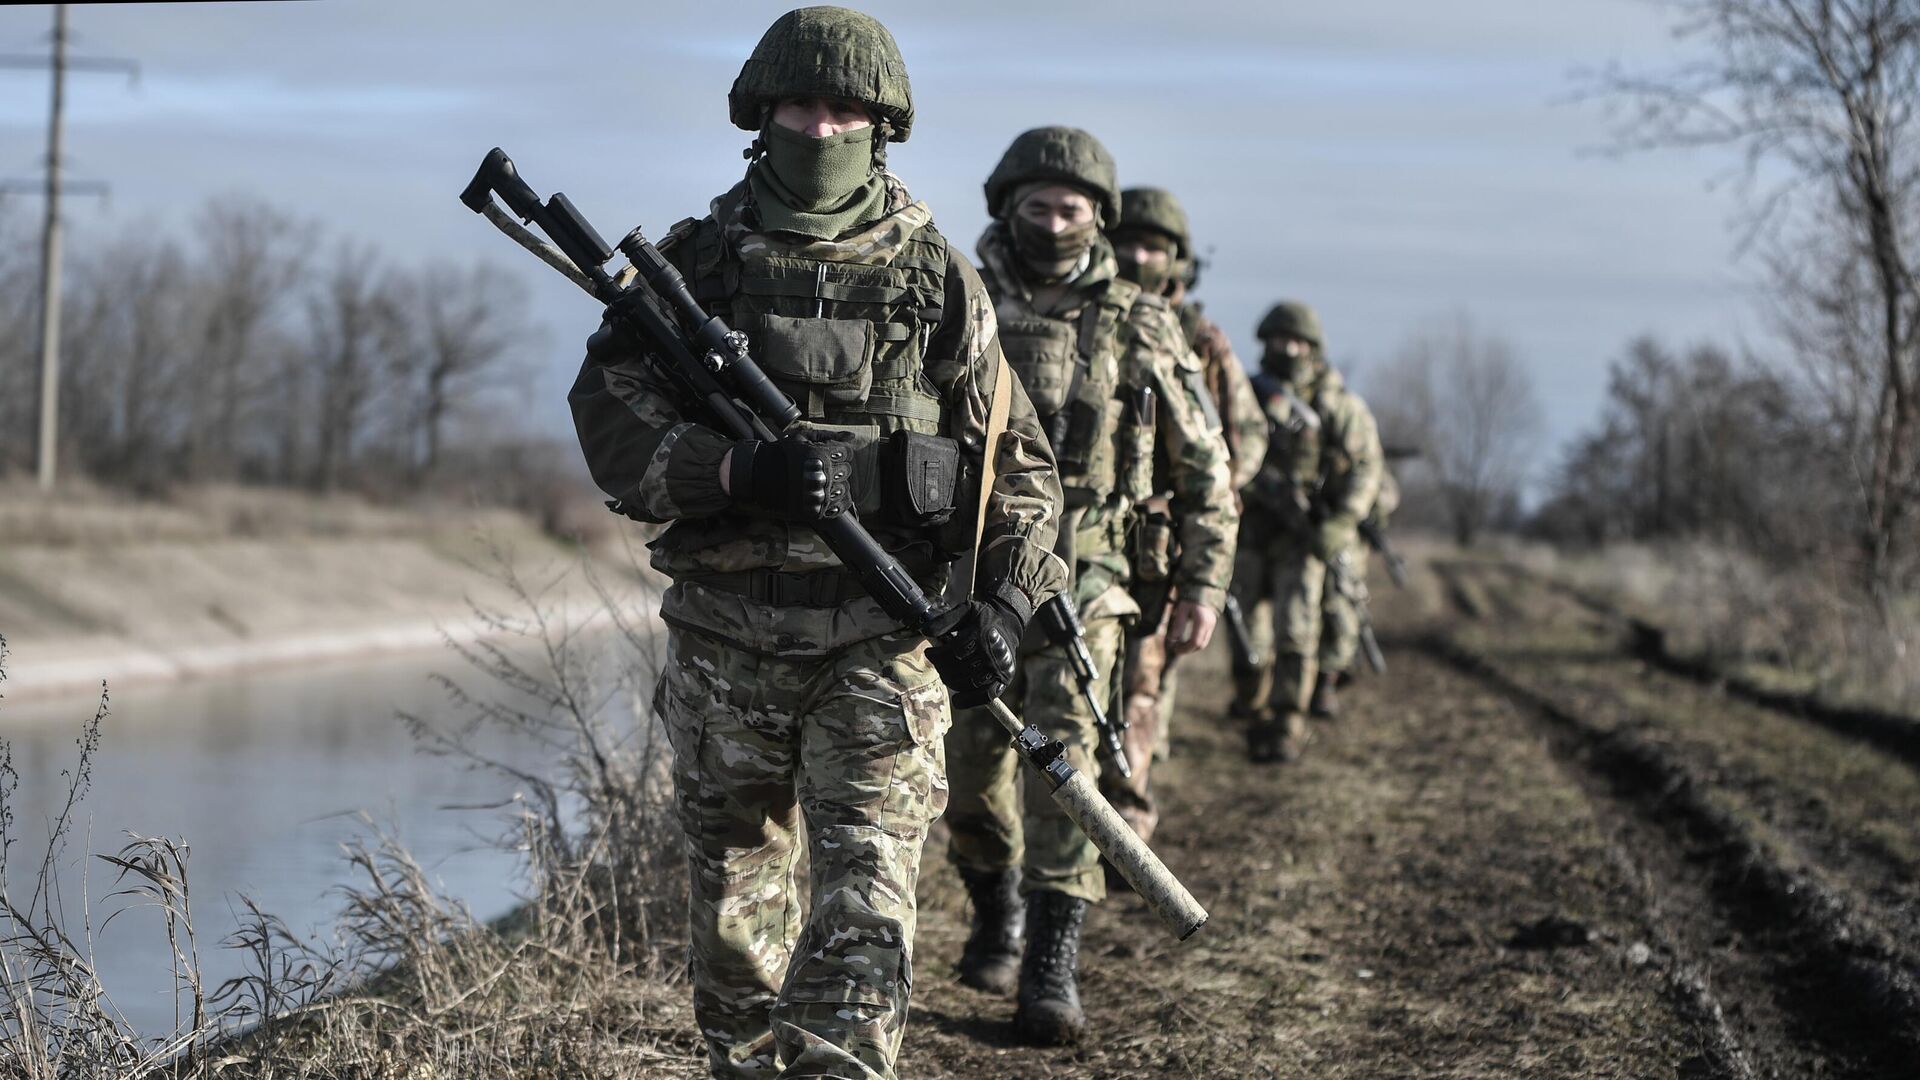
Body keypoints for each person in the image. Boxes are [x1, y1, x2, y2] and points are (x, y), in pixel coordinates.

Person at [566, 9, 1067, 1078]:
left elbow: (1017, 466)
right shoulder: (695, 268)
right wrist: (739, 473)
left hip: (881, 649)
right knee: (736, 929)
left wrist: (1006, 610)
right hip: (725, 643)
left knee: (865, 911)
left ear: (882, 125)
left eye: (846, 108)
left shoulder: (938, 277)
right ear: (761, 113)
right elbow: (611, 423)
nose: (823, 126)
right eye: (803, 104)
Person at [942, 127, 1237, 1044]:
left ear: (1099, 217)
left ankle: (1051, 965)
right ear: (1008, 205)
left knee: (1066, 767)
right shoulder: (957, 296)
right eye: (1038, 206)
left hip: (1091, 579)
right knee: (970, 768)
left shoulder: (1141, 320)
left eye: (1072, 209)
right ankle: (995, 906)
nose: (1055, 222)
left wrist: (1203, 582)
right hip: (967, 575)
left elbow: (1207, 465)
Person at [1101, 186, 1267, 840]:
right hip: (1088, 530)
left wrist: (1198, 498)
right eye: (1129, 244)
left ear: (1177, 261)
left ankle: (1127, 816)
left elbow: (1243, 438)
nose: (1140, 257)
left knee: (1142, 680)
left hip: (1158, 542)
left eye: (1155, 248)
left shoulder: (1199, 339)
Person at [1231, 301, 1382, 763]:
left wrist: (1340, 523)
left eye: (1297, 342)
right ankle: (1253, 708)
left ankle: (1287, 723)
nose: (1288, 349)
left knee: (1296, 631)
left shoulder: (1337, 406)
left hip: (1302, 539)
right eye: (1279, 341)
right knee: (1244, 631)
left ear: (1314, 348)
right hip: (1252, 532)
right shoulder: (1246, 395)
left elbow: (1365, 469)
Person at [1313, 460, 1396, 718]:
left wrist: (1353, 513)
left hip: (1347, 552)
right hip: (1308, 542)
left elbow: (1386, 497)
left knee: (1342, 618)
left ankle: (1327, 684)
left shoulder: (1366, 463)